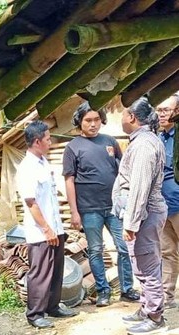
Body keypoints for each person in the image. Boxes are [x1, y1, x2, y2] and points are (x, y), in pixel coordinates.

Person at [63, 102, 139, 307]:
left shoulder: (110, 141)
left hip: (114, 206)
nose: (93, 124)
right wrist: (74, 212)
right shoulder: (73, 147)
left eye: (97, 119)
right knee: (96, 250)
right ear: (80, 121)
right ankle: (103, 291)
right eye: (88, 120)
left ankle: (127, 289)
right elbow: (69, 180)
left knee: (124, 247)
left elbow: (123, 170)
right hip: (89, 209)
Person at [113, 97, 168, 335]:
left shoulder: (144, 145)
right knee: (141, 263)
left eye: (123, 114)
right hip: (143, 215)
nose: (122, 119)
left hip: (145, 214)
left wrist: (132, 222)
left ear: (132, 117)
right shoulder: (141, 141)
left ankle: (155, 317)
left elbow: (139, 187)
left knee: (147, 265)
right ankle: (146, 308)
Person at [16, 120, 79, 329]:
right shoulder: (27, 168)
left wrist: (55, 228)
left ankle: (53, 306)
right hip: (41, 231)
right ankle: (34, 313)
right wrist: (46, 228)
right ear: (36, 141)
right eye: (47, 139)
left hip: (55, 228)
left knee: (56, 269)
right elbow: (31, 202)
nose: (50, 142)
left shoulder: (44, 163)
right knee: (41, 272)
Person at [157, 94, 179, 309]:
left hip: (178, 203)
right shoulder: (157, 138)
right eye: (159, 110)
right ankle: (167, 296)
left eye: (166, 109)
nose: (162, 114)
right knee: (167, 252)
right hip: (163, 206)